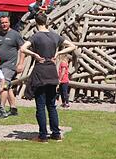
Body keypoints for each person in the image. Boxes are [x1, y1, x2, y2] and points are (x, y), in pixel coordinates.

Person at [20, 13, 77, 142]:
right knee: (51, 105)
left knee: (40, 106)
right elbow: (73, 46)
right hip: (52, 72)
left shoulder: (35, 36)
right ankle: (56, 134)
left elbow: (22, 48)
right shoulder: (55, 36)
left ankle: (42, 136)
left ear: (36, 22)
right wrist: (59, 52)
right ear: (46, 22)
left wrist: (34, 54)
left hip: (40, 72)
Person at [0, 16, 25, 116]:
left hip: (10, 65)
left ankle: (1, 108)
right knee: (8, 86)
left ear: (9, 23)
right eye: (2, 23)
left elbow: (23, 49)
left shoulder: (15, 34)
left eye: (6, 22)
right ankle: (13, 108)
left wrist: (20, 64)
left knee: (3, 85)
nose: (4, 24)